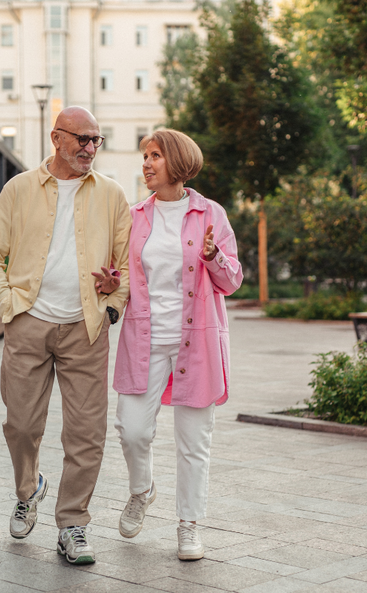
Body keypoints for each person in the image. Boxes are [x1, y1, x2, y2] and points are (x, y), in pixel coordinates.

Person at [0, 106, 131, 565]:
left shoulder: (113, 195)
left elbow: (126, 264)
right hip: (29, 322)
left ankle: (73, 525)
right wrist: (9, 307)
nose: (89, 149)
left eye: (96, 141)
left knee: (87, 433)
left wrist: (111, 303)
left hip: (86, 327)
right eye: (81, 139)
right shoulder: (19, 189)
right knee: (21, 424)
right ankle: (29, 489)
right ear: (56, 138)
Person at [111, 129, 242, 560]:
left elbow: (232, 281)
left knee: (193, 440)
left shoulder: (211, 214)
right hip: (144, 340)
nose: (146, 164)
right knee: (132, 431)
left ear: (178, 162)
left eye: (155, 156)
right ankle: (141, 489)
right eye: (145, 156)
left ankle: (189, 524)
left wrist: (212, 258)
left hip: (196, 343)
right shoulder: (135, 217)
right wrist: (113, 283)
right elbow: (123, 276)